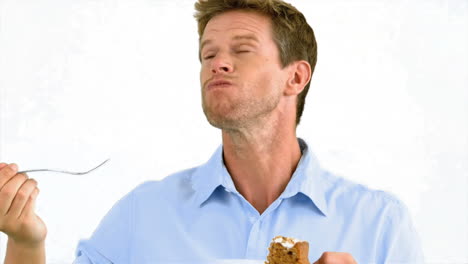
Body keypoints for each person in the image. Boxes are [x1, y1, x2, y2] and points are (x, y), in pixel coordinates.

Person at [0, 0, 425, 263]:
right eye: (208, 54)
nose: (217, 64)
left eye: (241, 50)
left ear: (295, 78)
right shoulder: (143, 214)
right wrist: (25, 241)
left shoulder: (380, 223)